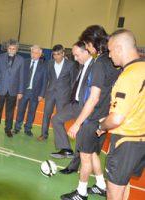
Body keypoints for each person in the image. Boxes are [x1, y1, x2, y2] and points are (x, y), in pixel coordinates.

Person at [61, 25, 120, 200]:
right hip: (103, 118)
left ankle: (81, 192)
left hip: (92, 118)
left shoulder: (100, 64)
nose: (87, 48)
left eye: (87, 45)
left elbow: (93, 98)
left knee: (85, 157)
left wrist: (77, 124)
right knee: (93, 152)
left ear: (92, 43)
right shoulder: (113, 62)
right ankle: (101, 185)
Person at [97, 29, 145, 200]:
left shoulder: (128, 75)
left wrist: (102, 126)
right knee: (124, 184)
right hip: (141, 140)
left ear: (118, 48)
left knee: (113, 192)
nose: (109, 55)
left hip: (125, 142)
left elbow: (116, 118)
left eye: (110, 50)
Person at [38, 44, 77, 141]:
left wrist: (71, 97)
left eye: (58, 54)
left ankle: (59, 137)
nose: (56, 56)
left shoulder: (70, 64)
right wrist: (43, 93)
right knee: (46, 114)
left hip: (63, 95)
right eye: (54, 54)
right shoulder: (50, 63)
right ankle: (44, 134)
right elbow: (46, 78)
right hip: (50, 94)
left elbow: (73, 82)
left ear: (63, 53)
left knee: (60, 117)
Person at [0, 39, 24, 137]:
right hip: (0, 89)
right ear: (7, 48)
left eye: (14, 48)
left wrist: (20, 91)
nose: (11, 50)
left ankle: (8, 129)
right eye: (10, 48)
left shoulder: (21, 60)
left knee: (10, 112)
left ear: (16, 49)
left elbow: (21, 76)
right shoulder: (0, 57)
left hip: (13, 90)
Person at [13, 45, 48, 136]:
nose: (34, 54)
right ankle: (17, 127)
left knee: (32, 111)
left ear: (40, 54)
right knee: (20, 110)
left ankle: (28, 128)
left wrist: (41, 94)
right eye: (32, 52)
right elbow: (19, 78)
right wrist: (19, 91)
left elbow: (45, 81)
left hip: (35, 93)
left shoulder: (44, 66)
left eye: (36, 53)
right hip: (23, 92)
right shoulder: (25, 62)